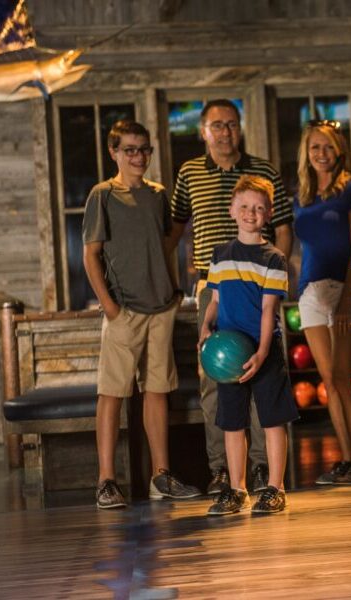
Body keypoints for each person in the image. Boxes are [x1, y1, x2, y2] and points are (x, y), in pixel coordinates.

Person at [169, 99, 294, 496]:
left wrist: (273, 270)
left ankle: (262, 468)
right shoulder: (189, 172)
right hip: (215, 283)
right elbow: (175, 230)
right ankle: (223, 470)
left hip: (259, 282)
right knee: (218, 381)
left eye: (232, 124)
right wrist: (173, 283)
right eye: (217, 125)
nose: (225, 132)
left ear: (240, 128)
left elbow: (284, 227)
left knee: (262, 378)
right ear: (203, 131)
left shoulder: (264, 170)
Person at [83, 120, 201, 509]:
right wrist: (110, 307)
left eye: (144, 149)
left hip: (161, 308)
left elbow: (165, 245)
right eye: (130, 149)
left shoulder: (158, 195)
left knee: (157, 390)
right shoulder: (103, 195)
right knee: (112, 393)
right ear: (114, 152)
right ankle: (106, 481)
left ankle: (161, 476)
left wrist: (173, 292)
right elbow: (91, 255)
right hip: (124, 310)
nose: (138, 156)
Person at [199, 175, 299, 515]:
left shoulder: (274, 258)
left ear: (268, 214)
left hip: (263, 351)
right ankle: (237, 489)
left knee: (272, 420)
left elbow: (269, 310)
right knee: (232, 422)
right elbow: (215, 300)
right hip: (228, 354)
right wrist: (206, 326)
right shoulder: (220, 254)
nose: (250, 213)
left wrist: (262, 352)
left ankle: (275, 488)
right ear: (231, 210)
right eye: (244, 206)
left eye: (258, 208)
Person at [293, 120, 351, 485]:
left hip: (344, 291)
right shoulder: (301, 196)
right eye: (314, 147)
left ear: (339, 150)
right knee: (328, 379)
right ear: (306, 153)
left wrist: (345, 301)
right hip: (309, 292)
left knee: (342, 376)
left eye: (328, 147)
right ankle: (345, 459)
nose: (321, 154)